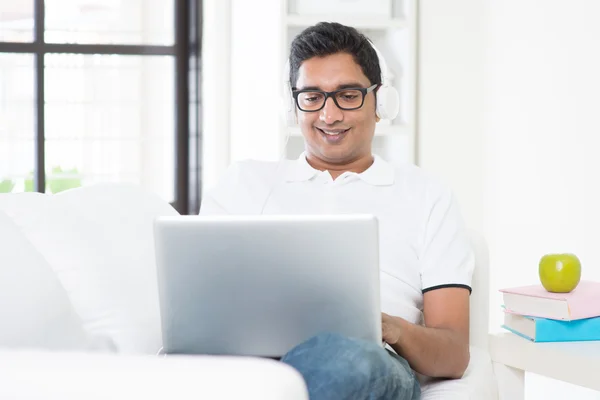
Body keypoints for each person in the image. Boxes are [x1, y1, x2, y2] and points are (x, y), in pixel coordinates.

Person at [200, 22, 474, 400]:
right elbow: (202, 304)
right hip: (253, 358)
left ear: (380, 102)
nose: (329, 116)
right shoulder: (243, 183)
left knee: (345, 362)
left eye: (347, 95)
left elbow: (454, 354)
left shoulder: (427, 195)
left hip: (364, 361)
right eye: (312, 97)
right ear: (292, 105)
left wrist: (391, 328)